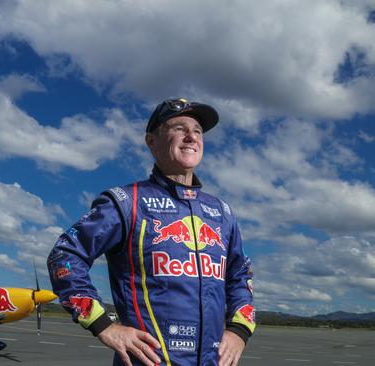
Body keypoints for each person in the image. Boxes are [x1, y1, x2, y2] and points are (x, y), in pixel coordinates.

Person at [47, 98, 255, 366]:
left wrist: (239, 331)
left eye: (198, 131)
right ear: (151, 142)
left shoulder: (222, 212)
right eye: (179, 128)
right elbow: (64, 255)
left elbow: (240, 274)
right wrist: (103, 325)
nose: (191, 136)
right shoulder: (125, 202)